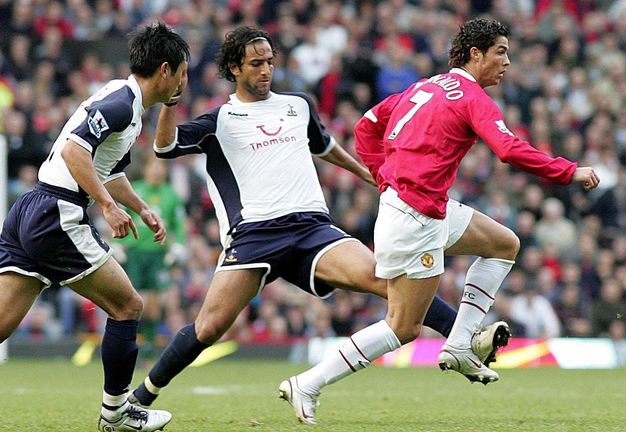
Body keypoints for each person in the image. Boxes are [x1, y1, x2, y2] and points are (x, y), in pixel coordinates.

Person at [129, 26, 507, 410]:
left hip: (312, 229)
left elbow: (325, 147)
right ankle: (140, 399)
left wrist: (367, 172)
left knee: (388, 282)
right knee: (208, 328)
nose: (265, 71)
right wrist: (171, 103)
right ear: (234, 68)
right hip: (254, 235)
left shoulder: (297, 106)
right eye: (256, 64)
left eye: (270, 63)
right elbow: (165, 147)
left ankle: (466, 337)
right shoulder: (219, 120)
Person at [279, 18, 599, 425]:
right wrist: (567, 171)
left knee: (504, 243)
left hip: (425, 206)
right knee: (402, 327)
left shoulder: (423, 85)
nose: (507, 61)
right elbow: (507, 148)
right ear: (475, 54)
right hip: (416, 217)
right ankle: (308, 383)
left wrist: (383, 176)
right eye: (500, 52)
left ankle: (461, 345)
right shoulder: (472, 97)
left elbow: (367, 125)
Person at [0, 23, 189, 432]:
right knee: (129, 306)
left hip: (33, 207)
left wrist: (139, 207)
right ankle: (116, 414)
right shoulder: (122, 103)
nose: (184, 81)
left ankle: (116, 413)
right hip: (57, 212)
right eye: (182, 71)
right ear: (165, 70)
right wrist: (106, 206)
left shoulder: (126, 105)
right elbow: (73, 151)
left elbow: (105, 169)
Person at [117, 157, 186, 364]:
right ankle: (126, 348)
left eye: (161, 166)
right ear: (146, 168)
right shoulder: (134, 190)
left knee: (154, 304)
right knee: (131, 302)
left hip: (157, 255)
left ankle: (147, 351)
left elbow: (178, 223)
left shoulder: (171, 195)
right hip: (134, 254)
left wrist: (178, 245)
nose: (157, 170)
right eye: (153, 165)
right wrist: (117, 243)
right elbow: (121, 214)